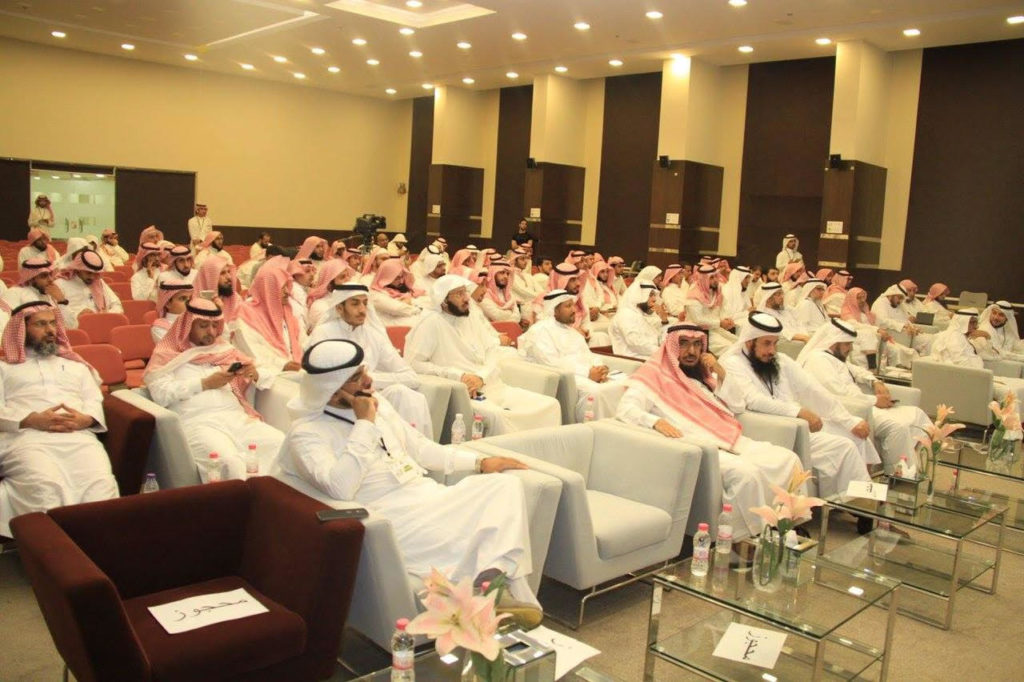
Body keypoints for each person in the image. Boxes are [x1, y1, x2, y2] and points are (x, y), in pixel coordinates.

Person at [275, 339, 542, 622]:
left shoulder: (379, 406)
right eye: (356, 378)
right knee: (470, 531)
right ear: (330, 391)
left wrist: (479, 462)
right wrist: (364, 423)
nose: (369, 380)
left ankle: (489, 582)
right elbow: (340, 487)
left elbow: (421, 448)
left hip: (424, 493)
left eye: (364, 371)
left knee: (505, 485)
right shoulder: (306, 433)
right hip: (389, 515)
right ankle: (493, 592)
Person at [616, 323, 805, 538]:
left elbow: (737, 406)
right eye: (684, 344)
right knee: (747, 476)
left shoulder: (703, 378)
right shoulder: (653, 377)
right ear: (670, 346)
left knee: (788, 460)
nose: (692, 351)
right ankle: (741, 539)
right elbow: (626, 409)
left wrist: (720, 372)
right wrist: (655, 421)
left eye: (697, 344)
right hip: (696, 446)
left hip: (728, 439)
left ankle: (782, 526)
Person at [717, 312, 875, 497]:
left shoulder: (780, 361)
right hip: (771, 431)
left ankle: (859, 501)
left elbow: (813, 390)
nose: (772, 350)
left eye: (775, 343)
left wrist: (848, 420)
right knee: (844, 447)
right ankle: (856, 502)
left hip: (797, 425)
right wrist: (798, 412)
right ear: (750, 342)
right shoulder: (733, 363)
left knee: (855, 435)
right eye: (766, 343)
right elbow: (753, 399)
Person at [0, 302, 118, 537]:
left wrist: (86, 419)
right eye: (40, 324)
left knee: (99, 485)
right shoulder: (4, 368)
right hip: (26, 439)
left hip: (78, 437)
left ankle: (96, 546)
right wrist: (31, 420)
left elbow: (93, 400)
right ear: (22, 330)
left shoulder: (76, 366)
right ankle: (52, 550)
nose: (50, 330)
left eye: (53, 323)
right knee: (45, 488)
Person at [145, 297, 284, 481]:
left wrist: (254, 374)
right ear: (188, 326)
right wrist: (204, 384)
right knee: (229, 463)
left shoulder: (224, 351)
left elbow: (266, 374)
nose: (211, 332)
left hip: (236, 418)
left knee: (280, 444)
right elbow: (160, 394)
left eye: (214, 325)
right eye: (203, 326)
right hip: (198, 423)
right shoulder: (168, 355)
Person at [405, 276, 561, 436]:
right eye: (459, 294)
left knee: (550, 405)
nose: (467, 298)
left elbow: (492, 351)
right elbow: (414, 364)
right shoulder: (430, 323)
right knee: (500, 417)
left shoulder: (471, 316)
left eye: (465, 292)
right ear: (444, 301)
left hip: (492, 385)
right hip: (465, 393)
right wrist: (458, 375)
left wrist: (481, 377)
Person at [799, 319, 933, 475]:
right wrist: (875, 401)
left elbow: (857, 371)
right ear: (834, 343)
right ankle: (898, 475)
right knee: (897, 427)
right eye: (847, 344)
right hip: (849, 410)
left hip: (863, 404)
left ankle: (914, 466)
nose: (850, 349)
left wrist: (875, 382)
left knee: (917, 414)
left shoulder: (832, 357)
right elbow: (838, 394)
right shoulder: (817, 360)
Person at [306, 283, 432, 435]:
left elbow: (411, 377)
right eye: (355, 304)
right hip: (337, 402)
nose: (362, 310)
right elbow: (321, 380)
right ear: (339, 308)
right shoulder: (324, 333)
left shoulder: (373, 335)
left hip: (372, 396)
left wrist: (368, 379)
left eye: (365, 303)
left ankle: (411, 446)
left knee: (405, 394)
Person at [519, 290, 627, 420]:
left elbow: (588, 355)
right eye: (568, 306)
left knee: (625, 381)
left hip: (585, 374)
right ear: (554, 310)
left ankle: (619, 425)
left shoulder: (572, 332)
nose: (574, 310)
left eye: (573, 305)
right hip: (566, 377)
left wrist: (599, 368)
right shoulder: (540, 331)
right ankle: (595, 427)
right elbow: (551, 363)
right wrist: (587, 373)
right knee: (597, 392)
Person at [931, 309, 1024, 417]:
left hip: (979, 375)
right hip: (971, 380)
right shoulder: (954, 338)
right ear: (962, 322)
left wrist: (987, 337)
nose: (975, 326)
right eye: (972, 322)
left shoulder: (962, 336)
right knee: (1010, 392)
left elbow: (993, 355)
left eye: (976, 322)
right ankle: (1010, 425)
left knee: (1020, 384)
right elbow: (961, 365)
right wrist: (982, 374)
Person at [233, 266, 305, 387]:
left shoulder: (286, 311)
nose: (287, 292)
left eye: (287, 287)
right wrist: (283, 365)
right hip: (267, 378)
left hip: (296, 371)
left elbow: (303, 342)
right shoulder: (246, 314)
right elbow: (253, 354)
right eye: (282, 288)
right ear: (269, 289)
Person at [840, 287, 915, 369]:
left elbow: (881, 321)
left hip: (877, 337)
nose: (862, 300)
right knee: (895, 350)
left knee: (903, 350)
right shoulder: (846, 311)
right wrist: (877, 330)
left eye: (863, 297)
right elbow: (855, 325)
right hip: (861, 338)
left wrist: (906, 326)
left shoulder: (866, 311)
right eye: (858, 298)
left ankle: (905, 371)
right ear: (852, 299)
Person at [57, 249, 124, 328]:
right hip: (75, 328)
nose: (92, 277)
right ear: (78, 269)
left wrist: (105, 314)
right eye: (88, 273)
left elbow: (117, 305)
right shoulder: (61, 284)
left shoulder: (98, 282)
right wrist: (77, 316)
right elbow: (57, 315)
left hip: (101, 326)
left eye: (95, 273)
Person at [683, 264, 737, 355]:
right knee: (729, 348)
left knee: (738, 342)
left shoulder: (716, 292)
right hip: (699, 331)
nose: (715, 280)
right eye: (711, 277)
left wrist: (726, 321)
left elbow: (722, 310)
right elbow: (698, 320)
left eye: (716, 276)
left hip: (715, 329)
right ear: (703, 279)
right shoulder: (694, 295)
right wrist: (720, 323)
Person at [871, 284, 933, 355]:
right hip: (893, 336)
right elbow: (882, 321)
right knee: (926, 342)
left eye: (902, 298)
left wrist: (913, 327)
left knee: (931, 339)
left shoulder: (899, 304)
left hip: (906, 335)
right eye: (899, 298)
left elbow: (905, 319)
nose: (900, 301)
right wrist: (903, 326)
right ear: (892, 295)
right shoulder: (880, 303)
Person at [610, 283, 667, 359]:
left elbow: (656, 338)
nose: (654, 299)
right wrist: (663, 352)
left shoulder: (638, 314)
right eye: (650, 295)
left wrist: (664, 319)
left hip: (648, 356)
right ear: (638, 296)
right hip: (633, 360)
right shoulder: (625, 315)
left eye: (654, 295)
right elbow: (636, 344)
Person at [369, 258, 426, 327]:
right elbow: (397, 309)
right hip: (389, 327)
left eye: (402, 277)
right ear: (386, 277)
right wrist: (418, 308)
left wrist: (410, 302)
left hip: (406, 321)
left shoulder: (397, 289)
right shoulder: (375, 294)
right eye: (397, 278)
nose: (401, 281)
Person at [193, 255, 241, 330]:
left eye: (229, 272)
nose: (229, 277)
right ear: (209, 278)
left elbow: (237, 331)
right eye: (222, 273)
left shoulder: (235, 299)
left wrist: (220, 313)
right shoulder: (193, 301)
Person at [307, 259, 356, 331]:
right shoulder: (320, 306)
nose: (348, 280)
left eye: (348, 275)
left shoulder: (348, 301)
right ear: (329, 284)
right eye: (342, 277)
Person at [2, 258, 67, 312]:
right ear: (31, 279)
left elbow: (69, 323)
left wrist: (62, 301)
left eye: (50, 274)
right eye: (44, 276)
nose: (51, 279)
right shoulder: (15, 293)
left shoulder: (52, 294)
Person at [478, 260, 521, 324]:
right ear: (492, 274)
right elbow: (497, 316)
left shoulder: (509, 295)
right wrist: (510, 313)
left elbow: (517, 318)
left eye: (508, 274)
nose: (506, 276)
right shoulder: (483, 294)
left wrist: (503, 313)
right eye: (502, 272)